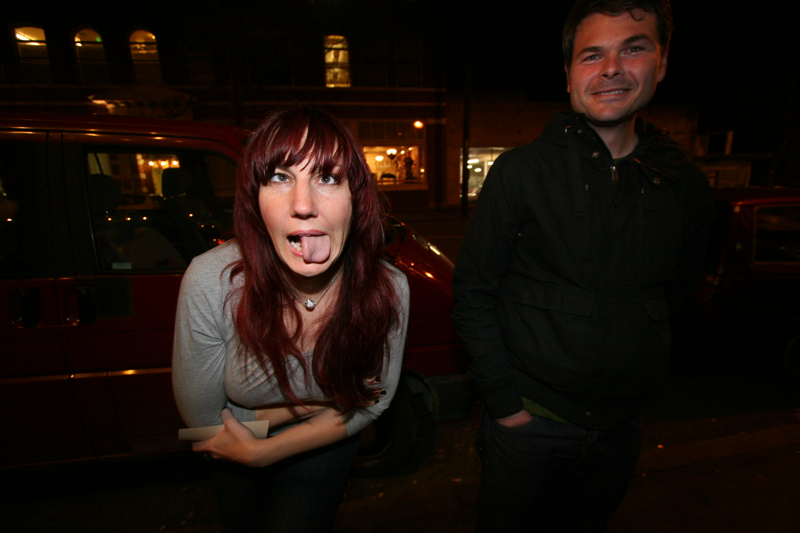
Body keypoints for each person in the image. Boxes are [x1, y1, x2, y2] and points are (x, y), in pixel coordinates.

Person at [451, 1, 713, 531]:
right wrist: (506, 407)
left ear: (661, 64)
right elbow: (474, 292)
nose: (611, 68)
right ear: (569, 74)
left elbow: (679, 287)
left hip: (620, 431)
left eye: (633, 48)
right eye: (592, 55)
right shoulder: (520, 173)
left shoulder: (685, 185)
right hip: (527, 426)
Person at [172, 107, 409, 532]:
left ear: (357, 198)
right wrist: (322, 403)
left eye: (328, 177)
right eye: (280, 177)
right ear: (253, 201)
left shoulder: (389, 288)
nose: (303, 205)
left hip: (328, 449)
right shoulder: (211, 280)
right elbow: (202, 427)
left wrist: (265, 448)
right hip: (236, 461)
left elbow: (379, 401)